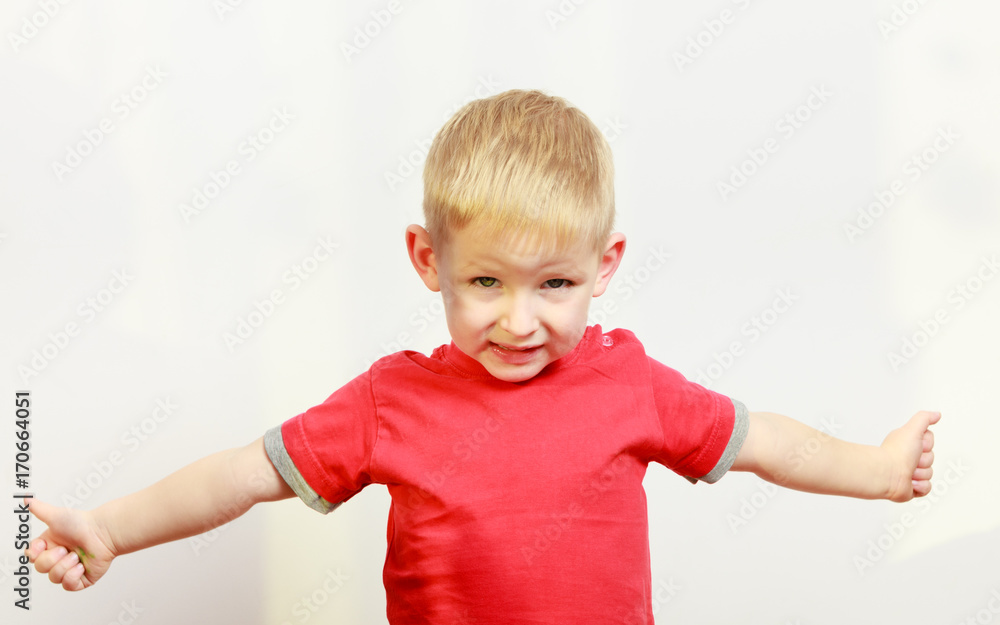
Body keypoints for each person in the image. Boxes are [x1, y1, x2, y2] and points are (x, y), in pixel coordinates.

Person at [26, 89, 940, 623]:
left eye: (554, 286)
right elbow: (242, 474)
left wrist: (880, 469)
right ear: (430, 261)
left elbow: (765, 441)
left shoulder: (632, 383)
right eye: (486, 283)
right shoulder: (393, 400)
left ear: (603, 267)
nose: (518, 321)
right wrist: (112, 526)